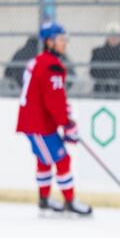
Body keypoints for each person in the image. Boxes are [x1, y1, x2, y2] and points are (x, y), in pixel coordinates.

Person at [15, 22, 92, 216]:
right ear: (49, 42)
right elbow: (54, 101)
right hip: (38, 124)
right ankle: (70, 201)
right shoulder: (51, 66)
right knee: (63, 159)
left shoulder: (39, 61)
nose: (64, 43)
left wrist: (65, 120)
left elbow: (52, 96)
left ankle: (44, 200)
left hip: (38, 122)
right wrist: (66, 124)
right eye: (60, 39)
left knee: (44, 160)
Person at [89, 21, 120, 95]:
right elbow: (93, 72)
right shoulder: (97, 52)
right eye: (111, 34)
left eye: (117, 35)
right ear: (107, 36)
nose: (114, 37)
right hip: (101, 91)